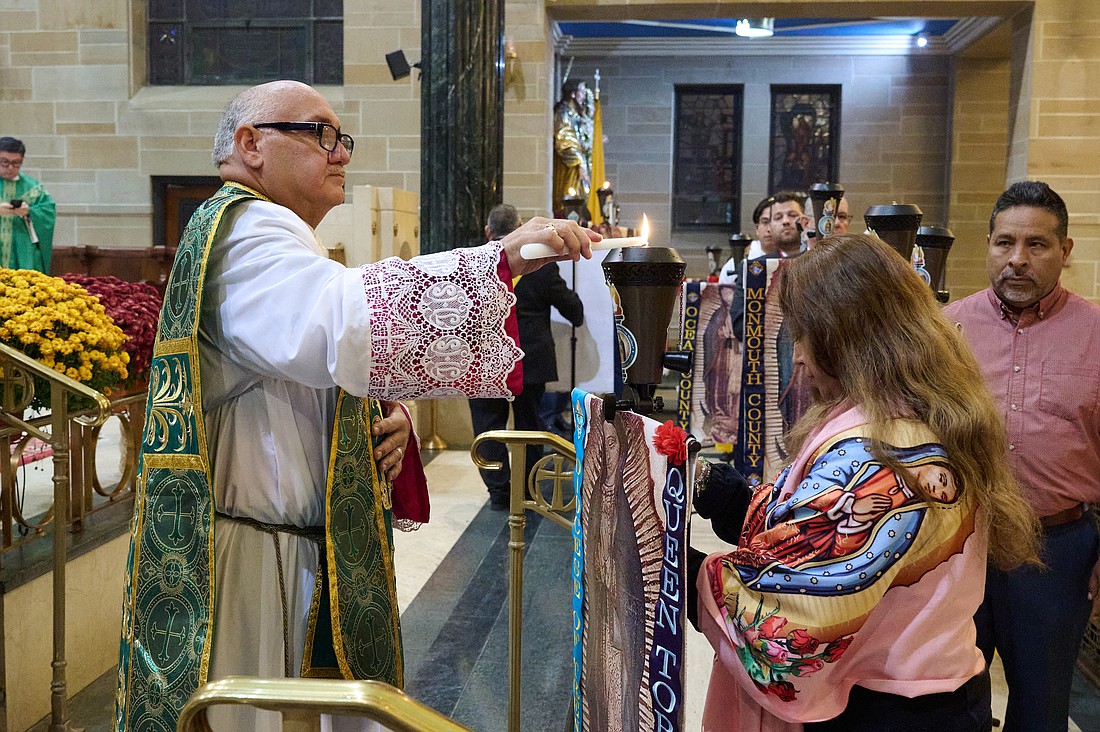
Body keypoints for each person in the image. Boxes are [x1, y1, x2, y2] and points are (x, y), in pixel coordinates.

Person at [113, 80, 597, 732]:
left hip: (295, 549)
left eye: (342, 138)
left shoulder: (267, 231)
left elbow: (302, 365)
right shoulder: (245, 230)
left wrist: (379, 416)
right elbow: (334, 322)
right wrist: (497, 262)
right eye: (319, 134)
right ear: (251, 145)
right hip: (253, 569)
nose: (339, 153)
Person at [689, 233, 1040, 731]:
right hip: (929, 694)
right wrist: (731, 500)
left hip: (892, 711)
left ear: (842, 338)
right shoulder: (914, 408)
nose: (801, 358)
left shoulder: (882, 448)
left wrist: (680, 569)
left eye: (802, 337)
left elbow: (799, 608)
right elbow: (819, 524)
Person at [944, 180, 1100, 732]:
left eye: (1036, 245)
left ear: (1065, 250)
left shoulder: (1096, 333)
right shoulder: (946, 331)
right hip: (958, 542)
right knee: (952, 700)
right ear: (987, 244)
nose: (1017, 259)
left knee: (1040, 705)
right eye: (1004, 242)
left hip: (1055, 550)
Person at [468, 203, 584, 509]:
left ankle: (499, 491)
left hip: (486, 360)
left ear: (488, 232)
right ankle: (528, 489)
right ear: (519, 229)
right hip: (529, 360)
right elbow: (574, 311)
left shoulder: (472, 264)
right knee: (530, 427)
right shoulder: (541, 266)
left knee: (487, 426)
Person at [0, 136, 55, 272]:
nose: (10, 168)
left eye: (16, 163)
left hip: (23, 249)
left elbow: (48, 212)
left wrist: (30, 211)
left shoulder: (33, 187)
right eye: (4, 162)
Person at [552, 79, 593, 210]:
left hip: (579, 164)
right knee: (570, 202)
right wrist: (580, 161)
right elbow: (565, 139)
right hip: (570, 166)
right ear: (573, 94)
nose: (584, 96)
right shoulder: (563, 112)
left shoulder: (576, 115)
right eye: (581, 91)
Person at [718, 196, 775, 284]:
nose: (769, 229)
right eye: (765, 222)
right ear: (757, 228)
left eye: (776, 221)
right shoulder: (735, 264)